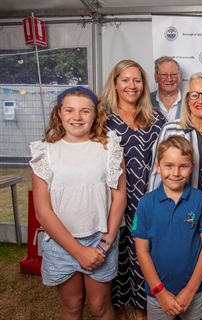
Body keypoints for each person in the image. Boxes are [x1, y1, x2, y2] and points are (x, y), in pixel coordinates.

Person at [30, 87, 126, 319]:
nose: (77, 117)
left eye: (85, 111)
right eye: (70, 110)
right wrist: (78, 251)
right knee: (73, 305)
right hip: (62, 243)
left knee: (99, 306)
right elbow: (43, 212)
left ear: (95, 115)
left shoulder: (109, 148)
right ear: (59, 114)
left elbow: (119, 197)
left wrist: (106, 242)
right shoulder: (46, 152)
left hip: (100, 240)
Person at [102, 60, 166, 319]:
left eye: (137, 80)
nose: (132, 85)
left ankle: (142, 312)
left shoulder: (156, 118)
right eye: (125, 80)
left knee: (143, 259)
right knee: (116, 261)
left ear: (144, 84)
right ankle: (119, 312)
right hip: (113, 204)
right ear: (115, 83)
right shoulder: (102, 119)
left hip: (147, 203)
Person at [134, 135, 202, 320]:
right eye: (169, 165)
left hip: (194, 290)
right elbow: (142, 250)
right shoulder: (145, 203)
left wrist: (191, 289)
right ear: (158, 166)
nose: (176, 172)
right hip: (158, 292)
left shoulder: (201, 200)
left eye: (183, 166)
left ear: (192, 167)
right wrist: (160, 291)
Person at [148, 72, 202, 193]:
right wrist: (152, 208)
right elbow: (156, 175)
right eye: (194, 95)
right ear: (187, 100)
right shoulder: (170, 129)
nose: (200, 100)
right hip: (176, 208)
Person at [150, 56, 182, 121]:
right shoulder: (146, 101)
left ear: (179, 76)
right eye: (164, 75)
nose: (169, 79)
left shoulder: (189, 100)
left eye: (173, 74)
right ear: (155, 77)